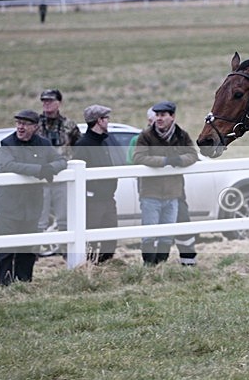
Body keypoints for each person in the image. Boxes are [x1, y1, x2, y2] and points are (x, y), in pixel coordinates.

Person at [0, 110, 66, 285]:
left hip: (32, 204)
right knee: (6, 248)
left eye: (25, 124)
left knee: (28, 247)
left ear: (35, 127)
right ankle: (4, 284)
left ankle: (24, 282)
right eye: (18, 123)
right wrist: (39, 170)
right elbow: (8, 165)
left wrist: (50, 168)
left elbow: (61, 161)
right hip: (9, 205)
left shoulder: (43, 144)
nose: (20, 127)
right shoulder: (7, 143)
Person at [127, 107, 198, 266]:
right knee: (149, 234)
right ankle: (149, 266)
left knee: (167, 235)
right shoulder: (146, 136)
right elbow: (138, 157)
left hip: (173, 193)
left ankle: (161, 266)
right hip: (150, 193)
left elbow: (193, 155)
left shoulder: (181, 135)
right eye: (157, 115)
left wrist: (179, 160)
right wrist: (164, 161)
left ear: (172, 117)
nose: (159, 118)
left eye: (163, 115)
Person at [72, 104, 123, 264]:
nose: (108, 121)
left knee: (110, 237)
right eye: (106, 118)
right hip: (92, 201)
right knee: (91, 237)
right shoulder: (83, 145)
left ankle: (105, 266)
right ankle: (89, 267)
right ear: (99, 121)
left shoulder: (105, 141)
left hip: (108, 198)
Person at [36, 88, 81, 250]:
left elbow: (80, 148)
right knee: (39, 219)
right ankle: (34, 255)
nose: (46, 104)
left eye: (50, 101)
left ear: (59, 103)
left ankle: (67, 254)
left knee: (65, 219)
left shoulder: (69, 125)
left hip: (63, 178)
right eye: (44, 101)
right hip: (39, 179)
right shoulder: (34, 125)